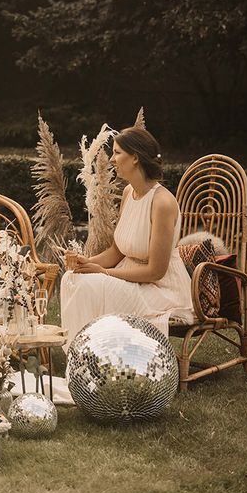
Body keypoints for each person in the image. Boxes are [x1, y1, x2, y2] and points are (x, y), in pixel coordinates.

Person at [61, 127, 194, 347]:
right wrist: (85, 262)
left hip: (160, 290)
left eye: (117, 153)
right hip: (128, 277)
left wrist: (103, 272)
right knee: (72, 278)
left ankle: (90, 355)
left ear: (135, 158)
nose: (112, 159)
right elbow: (116, 251)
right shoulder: (128, 193)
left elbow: (156, 272)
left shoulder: (162, 203)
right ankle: (85, 351)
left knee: (89, 285)